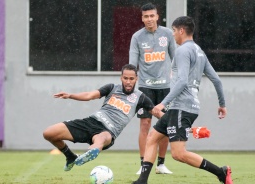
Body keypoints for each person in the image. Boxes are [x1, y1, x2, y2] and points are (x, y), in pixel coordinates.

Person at [132, 16, 233, 184]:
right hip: (183, 107)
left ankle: (221, 172)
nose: (172, 35)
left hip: (181, 107)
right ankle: (142, 181)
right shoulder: (199, 51)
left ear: (181, 30)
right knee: (152, 138)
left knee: (178, 154)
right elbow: (216, 79)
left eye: (173, 31)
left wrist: (163, 103)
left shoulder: (182, 50)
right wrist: (222, 104)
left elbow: (182, 81)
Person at [43, 64, 163, 171]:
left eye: (131, 79)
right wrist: (70, 95)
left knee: (100, 139)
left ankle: (90, 153)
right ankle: (70, 156)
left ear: (136, 79)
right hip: (91, 121)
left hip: (108, 131)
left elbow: (157, 112)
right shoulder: (111, 88)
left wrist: (173, 120)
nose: (128, 82)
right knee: (49, 133)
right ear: (121, 78)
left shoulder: (140, 97)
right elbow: (90, 95)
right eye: (125, 78)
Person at [129, 2, 177, 175]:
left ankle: (161, 164)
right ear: (142, 18)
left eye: (152, 16)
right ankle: (143, 164)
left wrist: (176, 79)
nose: (149, 19)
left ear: (157, 16)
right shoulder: (137, 37)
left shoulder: (167, 34)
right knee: (145, 124)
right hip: (145, 88)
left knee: (164, 124)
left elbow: (176, 59)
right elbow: (132, 65)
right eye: (145, 16)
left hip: (166, 88)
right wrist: (131, 87)